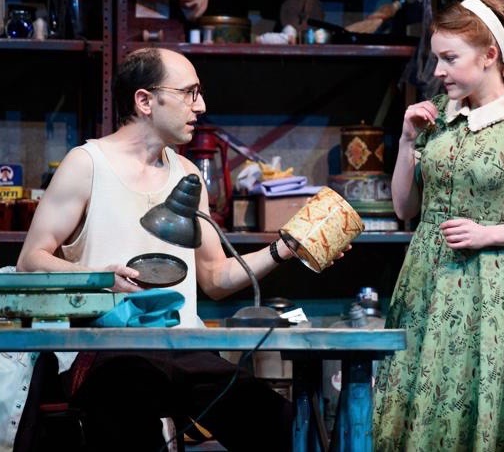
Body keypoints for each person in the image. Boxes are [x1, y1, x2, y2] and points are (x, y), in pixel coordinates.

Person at [11, 47, 298, 451]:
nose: (201, 106)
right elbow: (30, 260)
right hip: (105, 351)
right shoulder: (87, 164)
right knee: (128, 401)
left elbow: (216, 278)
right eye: (189, 93)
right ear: (145, 101)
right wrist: (97, 279)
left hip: (180, 347)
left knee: (274, 419)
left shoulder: (187, 174)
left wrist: (283, 249)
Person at [373, 0, 504, 451]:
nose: (438, 71)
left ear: (489, 56)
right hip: (425, 279)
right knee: (419, 405)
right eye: (437, 58)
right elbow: (404, 208)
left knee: (476, 404)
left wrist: (489, 234)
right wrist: (406, 142)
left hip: (490, 285)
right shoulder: (437, 117)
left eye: (449, 58)